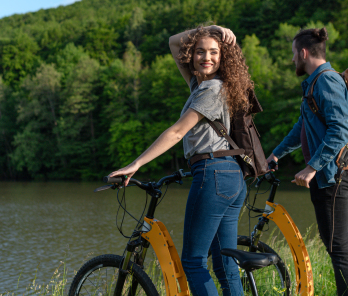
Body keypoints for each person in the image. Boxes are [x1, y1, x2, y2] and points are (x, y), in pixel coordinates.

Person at [108, 25, 254, 296]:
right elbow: (174, 42)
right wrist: (211, 29)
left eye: (214, 52)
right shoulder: (201, 85)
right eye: (200, 52)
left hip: (213, 173)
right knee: (224, 265)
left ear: (225, 58)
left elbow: (176, 132)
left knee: (193, 261)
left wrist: (136, 164)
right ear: (192, 55)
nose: (206, 58)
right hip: (232, 176)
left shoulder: (211, 89)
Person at [267, 27, 348, 296]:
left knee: (338, 247)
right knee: (335, 245)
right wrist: (275, 154)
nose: (293, 60)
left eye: (293, 54)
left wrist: (311, 167)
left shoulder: (327, 81)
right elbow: (302, 128)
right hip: (328, 175)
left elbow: (340, 130)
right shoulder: (315, 84)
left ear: (303, 53)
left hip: (334, 175)